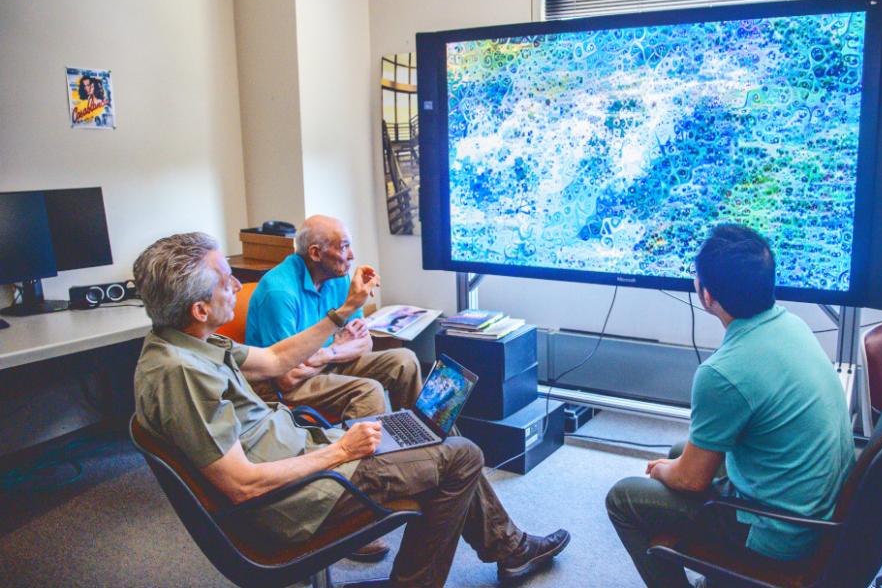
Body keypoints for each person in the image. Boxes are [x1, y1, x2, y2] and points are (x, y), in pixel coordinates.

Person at [132, 232, 569, 587]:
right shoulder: (183, 375)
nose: (236, 285)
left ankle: (509, 550)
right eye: (226, 279)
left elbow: (277, 360)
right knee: (463, 456)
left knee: (437, 444)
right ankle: (484, 558)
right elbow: (242, 486)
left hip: (306, 454)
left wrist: (344, 312)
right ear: (200, 307)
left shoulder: (187, 341)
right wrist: (342, 451)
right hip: (301, 496)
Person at [605, 224, 855, 588]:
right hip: (820, 514)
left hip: (780, 535)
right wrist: (676, 464)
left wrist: (662, 471)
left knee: (623, 498)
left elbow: (691, 481)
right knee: (680, 450)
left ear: (707, 296)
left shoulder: (722, 374)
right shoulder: (793, 325)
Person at [246, 215, 421, 421]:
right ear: (316, 253)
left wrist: (327, 354)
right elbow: (287, 378)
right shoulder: (278, 292)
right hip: (282, 386)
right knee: (368, 391)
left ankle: (426, 440)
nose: (352, 255)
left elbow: (365, 343)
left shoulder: (338, 277)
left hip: (325, 364)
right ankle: (368, 453)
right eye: (344, 247)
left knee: (405, 361)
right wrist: (334, 350)